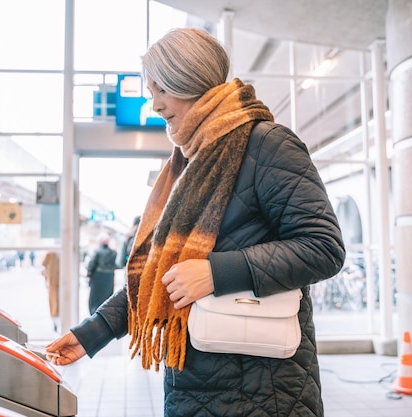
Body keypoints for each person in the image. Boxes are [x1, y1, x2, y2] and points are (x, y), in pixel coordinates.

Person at [47, 28, 345, 417]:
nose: (154, 104)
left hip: (262, 386)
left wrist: (217, 272)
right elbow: (163, 274)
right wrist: (94, 333)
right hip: (196, 375)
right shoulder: (190, 161)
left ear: (185, 77)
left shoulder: (267, 144)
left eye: (159, 89)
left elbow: (323, 247)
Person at [85, 232, 118, 315]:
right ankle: (105, 315)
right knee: (107, 297)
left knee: (95, 299)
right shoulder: (113, 252)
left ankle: (94, 315)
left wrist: (89, 274)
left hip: (98, 277)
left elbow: (91, 264)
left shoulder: (97, 251)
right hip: (109, 277)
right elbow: (116, 264)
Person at [40, 251, 60, 331]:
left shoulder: (65, 252)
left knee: (58, 302)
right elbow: (43, 264)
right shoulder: (50, 253)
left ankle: (57, 322)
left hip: (61, 282)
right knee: (54, 302)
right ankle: (55, 322)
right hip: (53, 281)